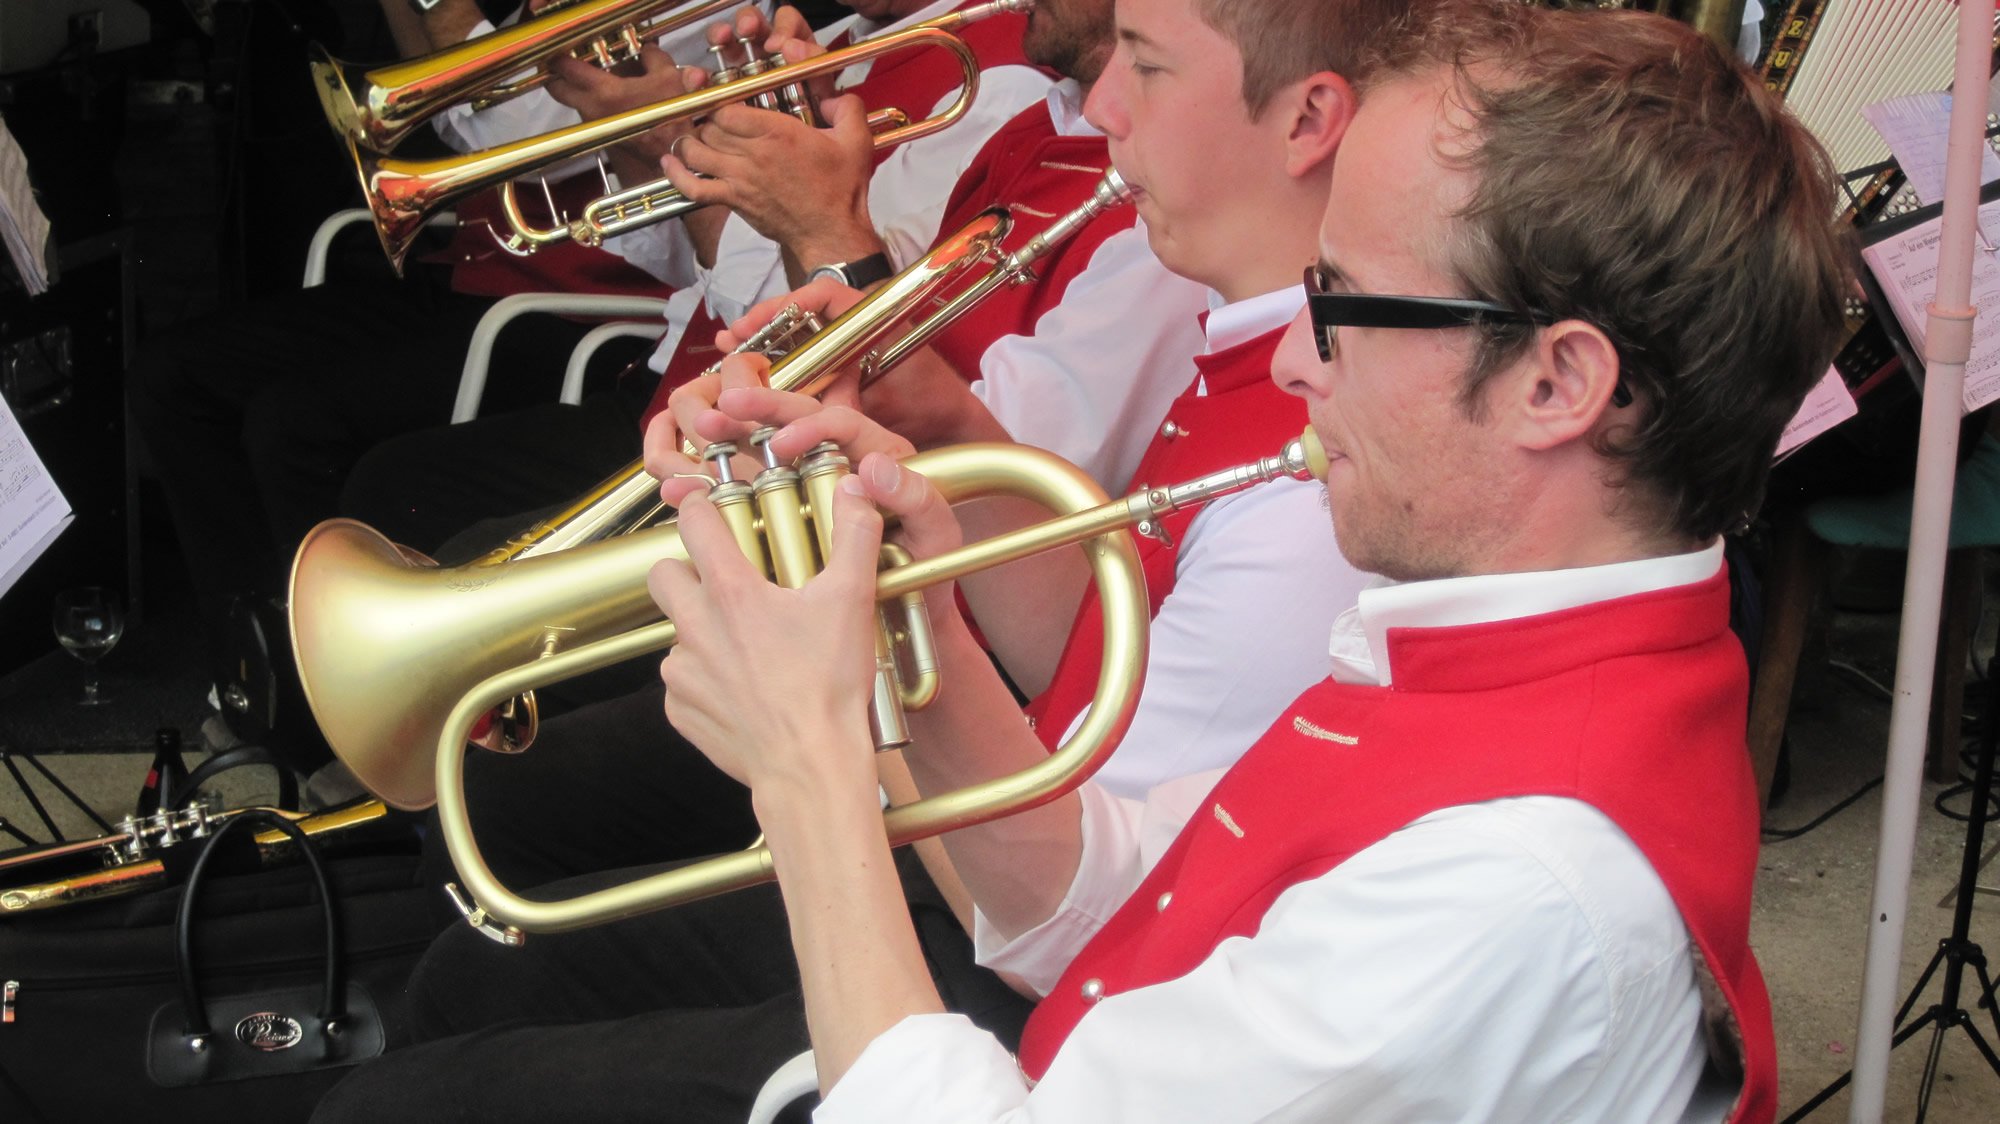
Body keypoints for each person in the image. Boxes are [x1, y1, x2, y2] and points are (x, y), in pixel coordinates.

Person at [641, 0, 1851, 1119]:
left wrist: (811, 767)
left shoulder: (1512, 882)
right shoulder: (1492, 641)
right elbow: (1109, 894)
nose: (1288, 360)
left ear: (1555, 382)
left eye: (1343, 302)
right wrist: (919, 631)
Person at [309, 0, 1388, 1120]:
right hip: (990, 840)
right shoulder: (1237, 330)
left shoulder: (1308, 459)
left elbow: (1065, 902)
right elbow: (1094, 658)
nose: (1105, 102)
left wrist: (824, 741)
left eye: (1148, 69)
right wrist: (944, 427)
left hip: (1012, 987)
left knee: (460, 976)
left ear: (1307, 121)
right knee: (477, 942)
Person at [337, 0, 1055, 554]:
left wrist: (689, 149)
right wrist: (652, 148)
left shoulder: (992, 81)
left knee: (431, 517)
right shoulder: (841, 42)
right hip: (689, 403)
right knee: (397, 487)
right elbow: (703, 269)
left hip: (760, 450)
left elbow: (821, 323)